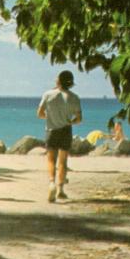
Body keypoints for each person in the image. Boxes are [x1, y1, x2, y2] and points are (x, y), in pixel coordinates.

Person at [37, 70, 82, 202]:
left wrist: (49, 117)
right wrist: (70, 121)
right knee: (63, 161)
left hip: (51, 130)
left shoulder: (48, 94)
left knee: (51, 160)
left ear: (59, 81)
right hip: (66, 130)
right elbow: (79, 119)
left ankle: (51, 183)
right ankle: (60, 190)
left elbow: (39, 113)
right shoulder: (74, 97)